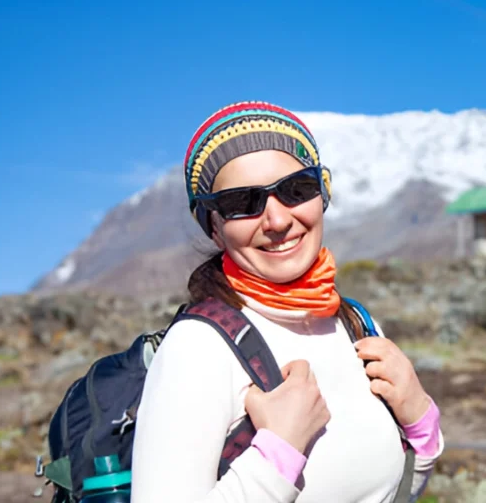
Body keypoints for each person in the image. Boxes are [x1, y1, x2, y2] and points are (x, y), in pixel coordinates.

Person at [130, 101, 444, 502]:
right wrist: (277, 456)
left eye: (297, 189)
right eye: (241, 203)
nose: (277, 220)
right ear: (213, 227)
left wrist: (421, 425)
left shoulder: (356, 326)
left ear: (323, 193)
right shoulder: (198, 348)